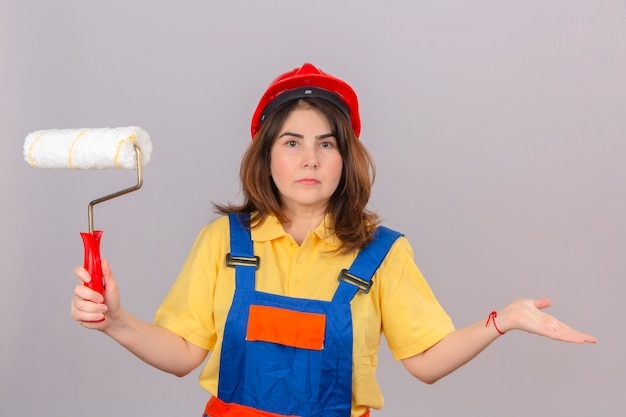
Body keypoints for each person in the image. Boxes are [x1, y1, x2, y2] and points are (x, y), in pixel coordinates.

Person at [71, 63, 596, 417]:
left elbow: (426, 362)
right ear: (267, 157)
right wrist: (116, 321)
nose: (310, 158)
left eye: (327, 143)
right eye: (292, 142)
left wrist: (502, 321)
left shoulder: (382, 251)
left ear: (345, 159)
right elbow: (184, 352)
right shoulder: (223, 241)